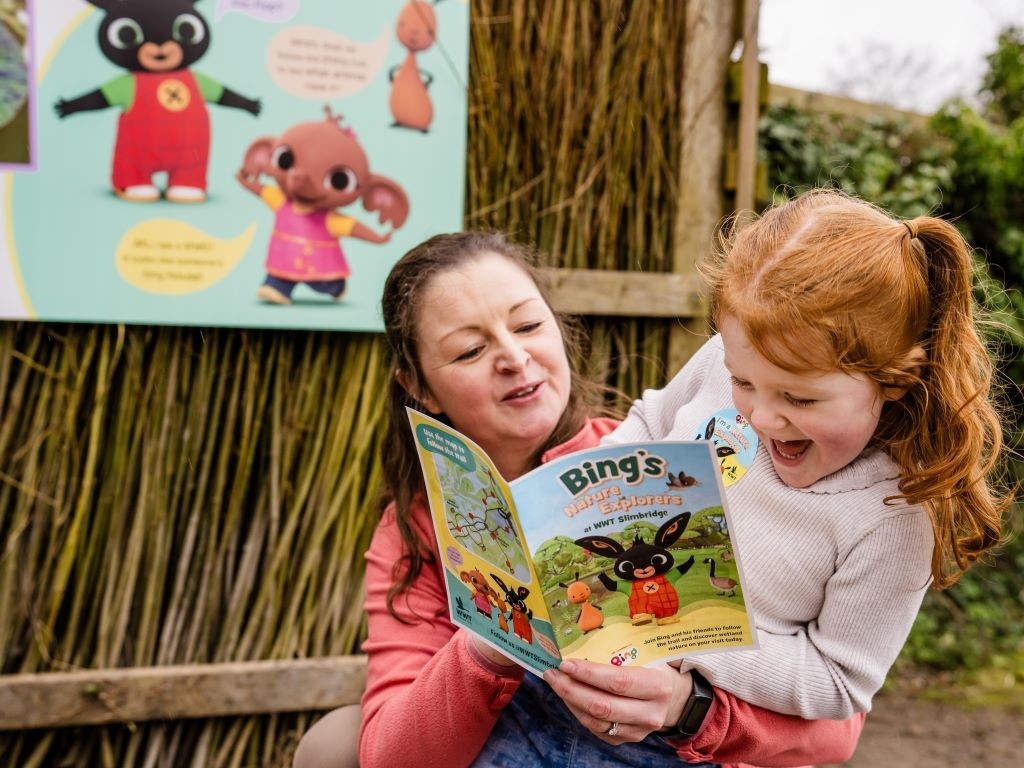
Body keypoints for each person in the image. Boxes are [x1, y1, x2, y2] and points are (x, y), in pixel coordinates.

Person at [294, 230, 865, 768]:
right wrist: (492, 643)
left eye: (528, 325)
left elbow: (837, 728)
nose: (514, 359)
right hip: (519, 745)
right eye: (470, 351)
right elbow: (393, 757)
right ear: (418, 387)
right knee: (335, 742)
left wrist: (689, 709)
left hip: (674, 742)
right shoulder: (418, 528)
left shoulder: (655, 467)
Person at [589, 188, 1011, 721]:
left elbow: (839, 681)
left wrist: (688, 634)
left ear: (896, 378)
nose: (761, 417)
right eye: (743, 382)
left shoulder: (894, 515)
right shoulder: (734, 357)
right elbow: (651, 422)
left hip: (696, 741)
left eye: (800, 398)